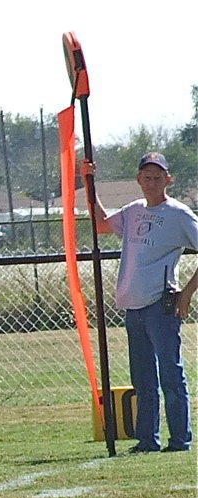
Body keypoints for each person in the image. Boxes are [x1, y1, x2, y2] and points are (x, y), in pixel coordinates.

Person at [84, 153, 197, 453]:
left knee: (171, 375)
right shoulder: (133, 211)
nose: (151, 182)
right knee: (143, 378)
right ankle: (147, 439)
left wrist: (186, 294)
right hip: (133, 306)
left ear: (168, 180)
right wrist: (88, 184)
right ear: (138, 180)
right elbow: (102, 225)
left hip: (161, 304)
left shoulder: (179, 214)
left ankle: (180, 440)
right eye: (146, 177)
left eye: (157, 177)